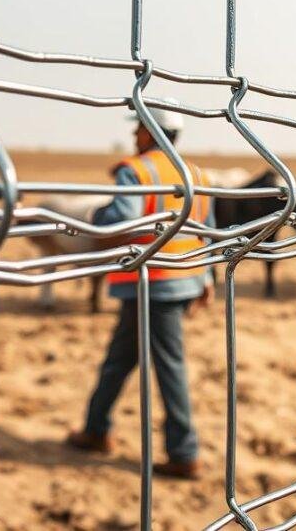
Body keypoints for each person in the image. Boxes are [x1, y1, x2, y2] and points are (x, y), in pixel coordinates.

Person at [65, 100, 212, 480]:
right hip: (181, 280)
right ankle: (96, 429)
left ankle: (184, 453)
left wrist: (95, 217)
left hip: (152, 284)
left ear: (151, 132)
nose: (134, 135)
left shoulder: (136, 171)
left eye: (139, 128)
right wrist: (206, 280)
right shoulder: (195, 173)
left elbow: (123, 219)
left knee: (169, 367)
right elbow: (205, 232)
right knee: (119, 359)